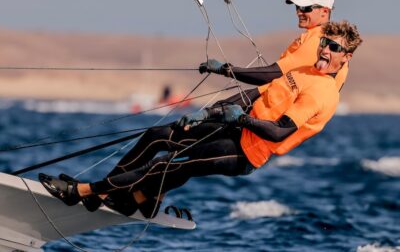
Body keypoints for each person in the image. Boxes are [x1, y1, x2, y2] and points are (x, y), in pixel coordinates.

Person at [39, 20, 362, 219]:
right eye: (324, 43)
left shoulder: (323, 92)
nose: (325, 51)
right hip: (233, 128)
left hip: (247, 152)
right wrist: (209, 112)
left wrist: (241, 121)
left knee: (168, 165)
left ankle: (85, 192)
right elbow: (258, 95)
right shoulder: (302, 70)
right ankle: (133, 197)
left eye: (333, 48)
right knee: (160, 136)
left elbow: (278, 133)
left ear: (345, 57)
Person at [204, 0, 349, 92]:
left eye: (305, 8)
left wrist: (226, 70)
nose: (299, 12)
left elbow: (272, 75)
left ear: (324, 11)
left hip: (279, 120)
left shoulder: (319, 40)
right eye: (297, 7)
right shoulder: (320, 36)